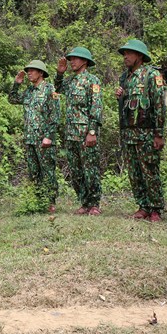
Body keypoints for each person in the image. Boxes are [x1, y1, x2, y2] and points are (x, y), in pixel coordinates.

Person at [115, 39, 166, 222]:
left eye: (129, 53)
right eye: (124, 54)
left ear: (139, 56)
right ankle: (143, 205)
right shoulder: (125, 77)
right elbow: (128, 107)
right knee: (134, 173)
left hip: (146, 133)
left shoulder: (151, 75)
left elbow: (160, 105)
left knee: (150, 171)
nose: (125, 57)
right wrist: (120, 98)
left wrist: (159, 134)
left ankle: (156, 208)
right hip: (129, 133)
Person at [55, 47, 103, 215]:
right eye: (71, 59)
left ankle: (94, 203)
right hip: (71, 133)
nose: (72, 61)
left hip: (85, 133)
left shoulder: (92, 80)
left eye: (75, 59)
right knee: (76, 171)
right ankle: (84, 202)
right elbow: (58, 88)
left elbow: (96, 107)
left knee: (90, 169)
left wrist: (92, 132)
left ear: (85, 61)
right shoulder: (69, 81)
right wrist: (60, 73)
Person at [8, 60, 61, 213]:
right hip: (30, 138)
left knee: (47, 171)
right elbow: (12, 99)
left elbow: (55, 115)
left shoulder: (50, 89)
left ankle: (50, 201)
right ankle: (38, 200)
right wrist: (17, 84)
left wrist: (49, 136)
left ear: (41, 73)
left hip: (43, 138)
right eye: (28, 70)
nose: (29, 73)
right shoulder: (29, 91)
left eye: (33, 70)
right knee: (34, 171)